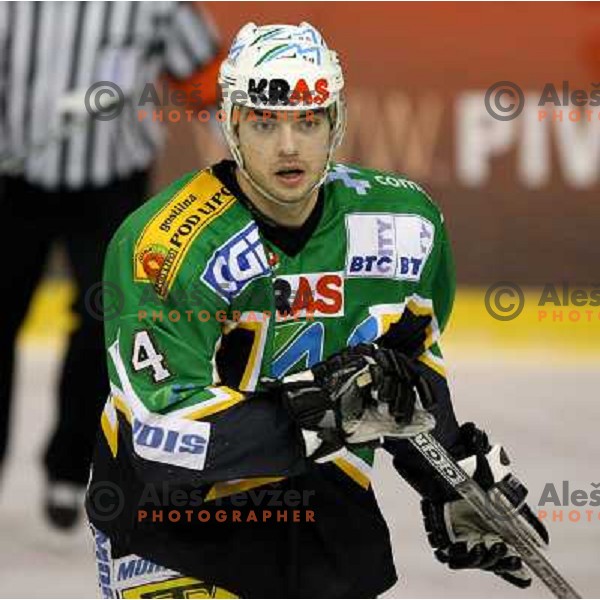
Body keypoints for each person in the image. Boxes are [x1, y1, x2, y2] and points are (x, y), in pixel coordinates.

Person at [86, 22, 549, 598]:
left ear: (337, 123)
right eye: (264, 121)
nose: (288, 146)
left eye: (308, 121)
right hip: (176, 525)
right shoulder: (165, 246)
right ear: (231, 123)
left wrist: (454, 480)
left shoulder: (403, 226)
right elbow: (158, 439)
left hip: (323, 520)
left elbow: (401, 378)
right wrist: (319, 413)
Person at [0, 1, 222, 529]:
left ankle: (69, 467)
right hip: (12, 180)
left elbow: (208, 77)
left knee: (103, 323)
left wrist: (240, 156)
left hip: (111, 180)